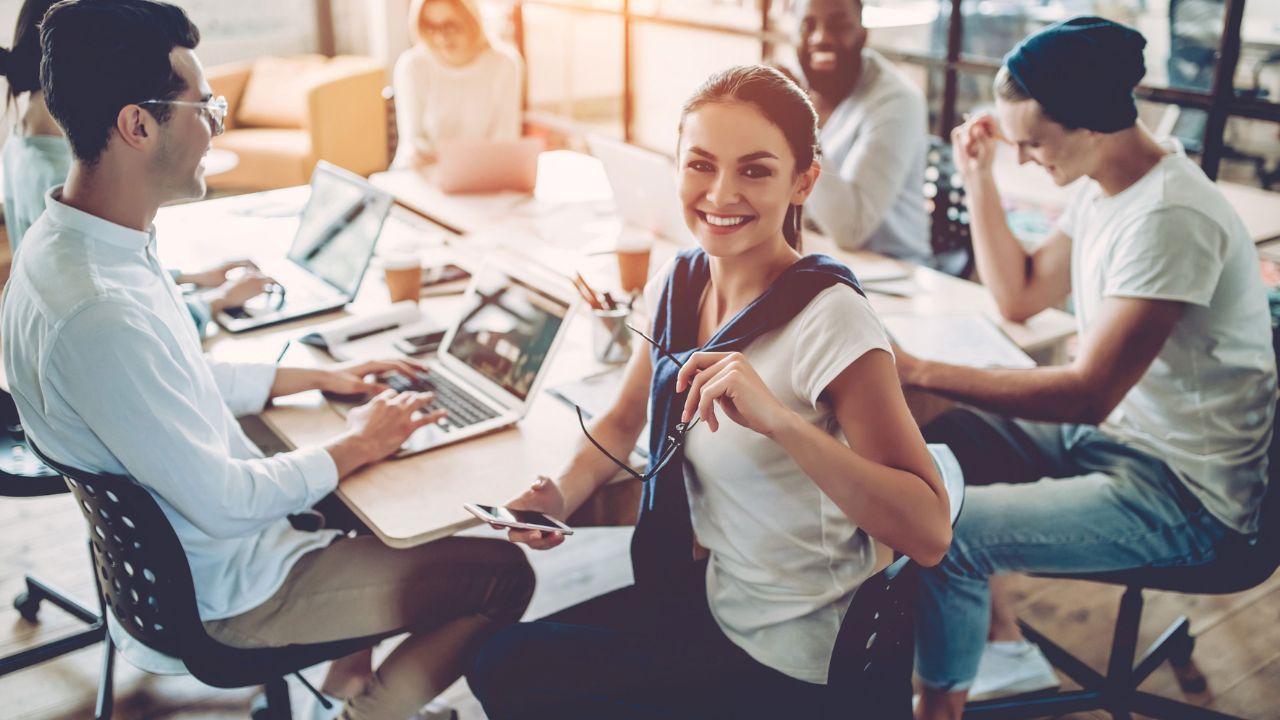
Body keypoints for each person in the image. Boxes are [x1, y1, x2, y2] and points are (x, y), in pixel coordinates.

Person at [1, 3, 534, 719]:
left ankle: (342, 688)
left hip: (194, 562)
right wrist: (358, 441)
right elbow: (226, 503)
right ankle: (364, 713)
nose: (215, 125)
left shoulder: (74, 242)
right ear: (137, 126)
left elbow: (176, 378)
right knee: (501, 574)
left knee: (354, 486)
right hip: (235, 591)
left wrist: (317, 378)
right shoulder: (100, 307)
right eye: (204, 106)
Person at [465, 64, 953, 718]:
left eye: (755, 170)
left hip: (797, 655)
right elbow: (620, 422)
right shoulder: (681, 278)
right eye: (701, 165)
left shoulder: (830, 319)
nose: (721, 193)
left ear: (802, 181)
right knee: (502, 663)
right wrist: (559, 495)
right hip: (714, 603)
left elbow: (929, 532)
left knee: (516, 677)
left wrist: (780, 421)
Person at [899, 18, 1276, 720]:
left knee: (947, 535)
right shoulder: (1104, 184)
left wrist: (922, 368)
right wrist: (978, 176)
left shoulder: (1169, 216)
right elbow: (1017, 293)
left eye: (1033, 142)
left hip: (1184, 496)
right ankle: (987, 641)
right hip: (1121, 442)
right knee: (941, 434)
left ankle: (935, 709)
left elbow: (1087, 394)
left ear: (1096, 124)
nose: (1023, 156)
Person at [0, 0, 271, 335]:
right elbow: (117, 310)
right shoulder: (66, 176)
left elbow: (112, 265)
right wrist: (215, 300)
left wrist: (188, 278)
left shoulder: (20, 142)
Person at [791, 0, 938, 269]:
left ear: (863, 34)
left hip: (892, 271)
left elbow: (851, 230)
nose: (821, 38)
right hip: (815, 257)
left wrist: (798, 124)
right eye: (808, 25)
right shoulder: (796, 86)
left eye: (838, 26)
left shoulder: (898, 101)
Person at [391, 0, 522, 170]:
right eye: (431, 26)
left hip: (484, 176)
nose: (442, 37)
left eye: (451, 26)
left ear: (472, 21)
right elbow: (411, 143)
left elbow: (505, 142)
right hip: (425, 176)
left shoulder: (504, 64)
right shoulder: (412, 66)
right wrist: (417, 155)